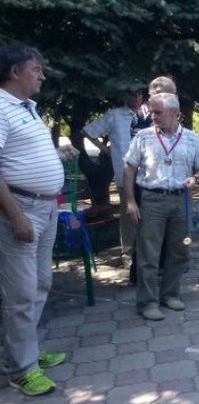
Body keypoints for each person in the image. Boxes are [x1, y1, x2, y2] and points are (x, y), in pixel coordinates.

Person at [0, 44, 79, 396]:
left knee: (41, 283)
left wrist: (56, 153)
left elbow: (22, 155)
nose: (42, 76)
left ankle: (23, 351)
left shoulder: (28, 107)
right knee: (20, 293)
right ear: (14, 71)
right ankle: (22, 369)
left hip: (46, 208)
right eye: (36, 69)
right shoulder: (1, 108)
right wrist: (16, 216)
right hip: (20, 209)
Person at [123, 93, 199, 321]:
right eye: (151, 111)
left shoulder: (191, 138)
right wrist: (131, 201)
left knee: (180, 250)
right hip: (152, 199)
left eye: (158, 112)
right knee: (148, 254)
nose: (153, 116)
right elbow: (129, 168)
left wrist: (196, 178)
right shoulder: (143, 136)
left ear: (175, 113)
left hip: (181, 199)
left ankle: (170, 294)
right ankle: (147, 302)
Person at [82, 89, 145, 268]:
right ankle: (128, 253)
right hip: (125, 173)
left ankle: (147, 252)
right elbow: (89, 131)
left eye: (140, 94)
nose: (136, 97)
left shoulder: (148, 115)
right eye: (132, 94)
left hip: (149, 174)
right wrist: (108, 151)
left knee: (149, 214)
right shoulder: (115, 115)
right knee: (128, 215)